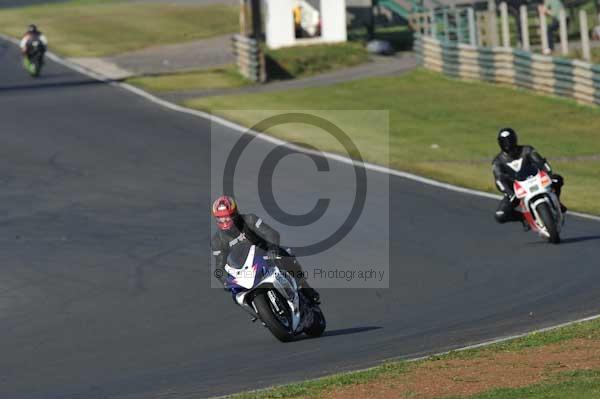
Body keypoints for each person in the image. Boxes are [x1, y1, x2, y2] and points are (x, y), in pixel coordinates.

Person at [211, 195, 320, 304]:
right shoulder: (217, 240)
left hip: (264, 254)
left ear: (234, 213)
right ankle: (257, 310)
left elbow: (270, 233)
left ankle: (304, 287)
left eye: (227, 217)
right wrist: (225, 281)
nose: (224, 220)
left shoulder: (249, 219)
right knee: (235, 294)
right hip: (244, 269)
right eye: (220, 217)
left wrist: (272, 248)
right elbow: (219, 265)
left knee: (285, 256)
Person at [492, 128, 566, 227]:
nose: (507, 144)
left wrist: (548, 173)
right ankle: (525, 218)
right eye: (504, 142)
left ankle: (558, 203)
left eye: (509, 140)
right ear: (500, 143)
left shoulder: (526, 150)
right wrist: (509, 193)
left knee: (557, 179)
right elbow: (499, 180)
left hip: (536, 180)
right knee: (500, 215)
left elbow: (541, 162)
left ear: (515, 139)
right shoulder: (498, 161)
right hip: (517, 191)